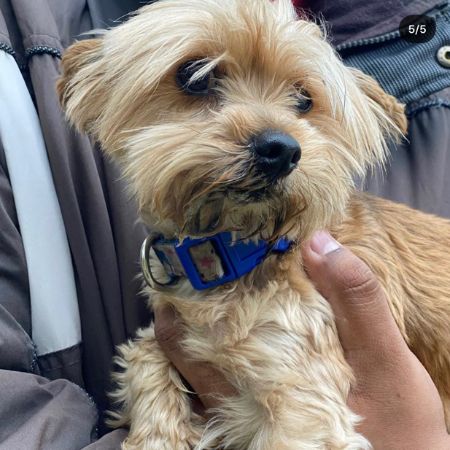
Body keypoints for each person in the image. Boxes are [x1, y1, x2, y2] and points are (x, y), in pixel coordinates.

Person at [0, 0, 448, 449]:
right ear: (94, 88)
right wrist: (155, 376)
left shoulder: (311, 286)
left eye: (302, 102)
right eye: (198, 81)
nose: (276, 139)